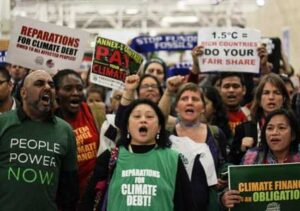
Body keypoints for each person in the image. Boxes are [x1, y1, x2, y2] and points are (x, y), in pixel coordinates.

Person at [79, 99, 195, 211]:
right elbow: (88, 202)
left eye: (149, 117)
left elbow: (187, 205)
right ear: (128, 126)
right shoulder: (110, 157)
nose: (143, 120)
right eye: (137, 116)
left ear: (159, 127)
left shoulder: (173, 158)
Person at [0, 70, 78, 211]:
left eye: (51, 85)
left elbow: (69, 188)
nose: (47, 87)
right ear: (23, 93)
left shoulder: (65, 130)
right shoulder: (3, 123)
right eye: (39, 83)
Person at [159, 79, 228, 211]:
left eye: (195, 99)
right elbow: (158, 120)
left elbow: (224, 165)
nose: (190, 102)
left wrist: (223, 178)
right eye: (184, 98)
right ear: (176, 107)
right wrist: (169, 91)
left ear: (203, 108)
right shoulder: (167, 137)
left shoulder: (216, 134)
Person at [221, 109, 300, 209]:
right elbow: (234, 187)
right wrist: (224, 198)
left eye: (281, 128)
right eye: (270, 128)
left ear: (293, 135)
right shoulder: (252, 156)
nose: (274, 133)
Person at [53, 69, 104, 198]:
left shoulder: (94, 110)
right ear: (57, 92)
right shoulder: (49, 118)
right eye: (68, 88)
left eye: (79, 88)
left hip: (94, 192)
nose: (75, 93)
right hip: (64, 194)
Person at [229, 73, 290, 164]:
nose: (271, 97)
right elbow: (231, 165)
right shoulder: (243, 129)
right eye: (266, 93)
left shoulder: (294, 127)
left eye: (276, 93)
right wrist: (241, 149)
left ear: (284, 98)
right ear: (259, 99)